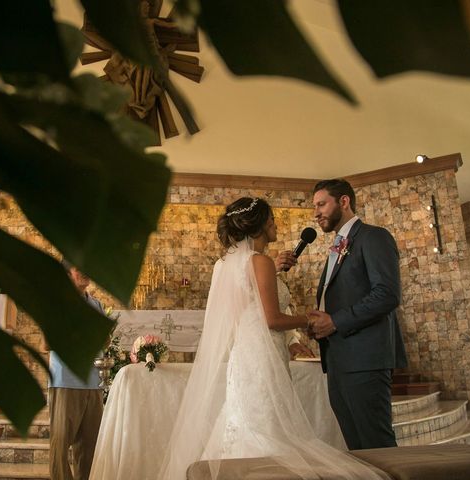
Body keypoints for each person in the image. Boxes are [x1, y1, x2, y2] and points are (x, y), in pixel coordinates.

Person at [159, 197, 388, 480]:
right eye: (271, 221)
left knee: (245, 422)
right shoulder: (261, 262)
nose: (275, 225)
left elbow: (247, 307)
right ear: (257, 228)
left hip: (245, 356)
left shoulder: (226, 264)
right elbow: (272, 320)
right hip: (263, 356)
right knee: (268, 426)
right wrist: (309, 318)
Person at [308, 179, 407, 450]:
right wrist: (319, 322)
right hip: (339, 359)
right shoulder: (339, 244)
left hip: (365, 359)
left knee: (377, 443)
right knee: (357, 446)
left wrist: (335, 321)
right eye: (314, 206)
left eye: (321, 204)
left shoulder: (374, 237)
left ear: (343, 201)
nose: (316, 212)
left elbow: (387, 294)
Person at [49, 264, 104, 480]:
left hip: (93, 382)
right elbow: (46, 342)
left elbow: (103, 341)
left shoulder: (96, 304)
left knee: (89, 449)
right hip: (66, 380)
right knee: (60, 447)